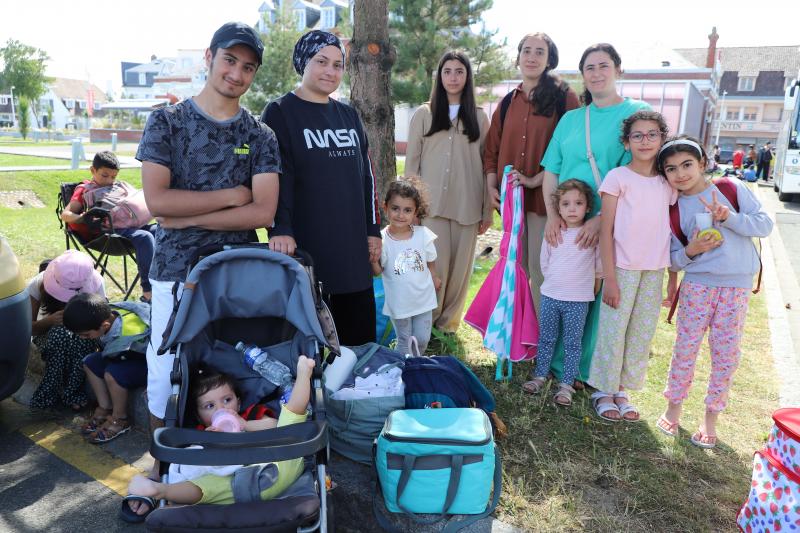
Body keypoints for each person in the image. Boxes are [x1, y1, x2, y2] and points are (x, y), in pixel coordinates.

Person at [137, 21, 280, 469]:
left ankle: (232, 453)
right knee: (165, 362)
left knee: (232, 361)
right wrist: (229, 197)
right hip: (177, 268)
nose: (237, 74)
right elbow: (158, 201)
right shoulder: (167, 122)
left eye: (248, 67)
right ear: (209, 57)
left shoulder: (260, 136)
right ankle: (161, 457)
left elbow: (263, 213)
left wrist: (189, 214)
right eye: (230, 60)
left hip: (238, 271)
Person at [538, 43, 650, 390]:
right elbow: (551, 170)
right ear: (582, 75)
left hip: (612, 222)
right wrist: (553, 215)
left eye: (604, 66)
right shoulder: (572, 119)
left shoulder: (637, 113)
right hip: (567, 221)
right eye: (589, 67)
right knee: (563, 286)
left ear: (619, 70)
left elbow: (642, 170)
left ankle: (591, 370)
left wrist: (601, 220)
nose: (597, 73)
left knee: (600, 295)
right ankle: (556, 365)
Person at [262, 30, 381, 346]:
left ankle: (360, 393)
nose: (330, 71)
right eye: (321, 61)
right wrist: (280, 228)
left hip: (353, 248)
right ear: (304, 63)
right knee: (314, 344)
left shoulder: (348, 115)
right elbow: (276, 177)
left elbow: (367, 177)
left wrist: (373, 230)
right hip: (308, 247)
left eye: (338, 65)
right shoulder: (280, 112)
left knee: (358, 342)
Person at [655, 136, 772, 447]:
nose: (680, 173)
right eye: (671, 168)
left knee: (726, 355)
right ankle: (673, 409)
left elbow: (763, 225)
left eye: (687, 165)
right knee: (685, 349)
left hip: (736, 288)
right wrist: (691, 250)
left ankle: (710, 420)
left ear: (702, 163)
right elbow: (673, 259)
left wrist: (728, 217)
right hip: (697, 286)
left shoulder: (731, 189)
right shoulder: (672, 208)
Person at [124, 357, 315, 519]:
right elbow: (195, 466)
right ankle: (160, 491)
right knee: (202, 487)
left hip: (271, 470)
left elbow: (274, 426)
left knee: (291, 421)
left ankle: (304, 374)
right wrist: (205, 442)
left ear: (238, 402)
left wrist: (244, 425)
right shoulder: (200, 432)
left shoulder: (250, 414)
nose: (222, 409)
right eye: (209, 406)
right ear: (198, 416)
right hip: (230, 487)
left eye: (227, 400)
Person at [587, 111, 675, 422]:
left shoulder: (668, 182)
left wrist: (672, 279)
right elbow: (606, 231)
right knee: (614, 331)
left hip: (654, 270)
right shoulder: (618, 178)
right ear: (627, 142)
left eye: (652, 134)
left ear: (662, 139)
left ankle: (621, 389)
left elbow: (673, 229)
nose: (645, 140)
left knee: (640, 333)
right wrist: (609, 278)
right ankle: (602, 390)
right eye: (637, 135)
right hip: (621, 268)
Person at [483, 32, 580, 315]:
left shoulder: (565, 98)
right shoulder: (507, 103)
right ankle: (517, 333)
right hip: (512, 202)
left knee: (541, 269)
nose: (532, 57)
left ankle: (540, 339)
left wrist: (537, 179)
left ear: (550, 59)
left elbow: (571, 149)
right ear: (518, 57)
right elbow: (492, 150)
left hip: (544, 202)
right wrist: (492, 187)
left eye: (540, 51)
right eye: (527, 50)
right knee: (517, 267)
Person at [404, 50, 491, 334]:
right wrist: (410, 208)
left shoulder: (479, 117)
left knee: (459, 275)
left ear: (468, 77)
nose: (453, 77)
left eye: (459, 71)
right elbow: (412, 165)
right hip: (432, 209)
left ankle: (448, 329)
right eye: (447, 71)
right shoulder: (424, 114)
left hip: (468, 206)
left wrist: (486, 210)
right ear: (439, 77)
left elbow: (486, 165)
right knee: (434, 271)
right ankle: (427, 327)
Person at [523, 179, 601, 407]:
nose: (572, 208)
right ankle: (539, 375)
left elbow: (598, 265)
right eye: (566, 204)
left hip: (578, 300)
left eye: (578, 203)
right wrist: (553, 284)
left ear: (588, 207)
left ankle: (566, 384)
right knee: (546, 338)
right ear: (559, 208)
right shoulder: (554, 232)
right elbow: (544, 262)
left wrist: (593, 287)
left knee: (573, 342)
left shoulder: (590, 235)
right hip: (551, 296)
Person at [59, 150, 155, 302]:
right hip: (107, 235)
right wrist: (84, 218)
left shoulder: (117, 187)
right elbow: (66, 214)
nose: (109, 180)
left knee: (161, 231)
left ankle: (166, 282)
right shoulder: (84, 189)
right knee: (145, 237)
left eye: (113, 177)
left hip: (131, 227)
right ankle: (148, 291)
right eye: (105, 175)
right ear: (93, 170)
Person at [62, 292, 150, 443]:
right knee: (89, 362)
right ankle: (105, 408)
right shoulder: (106, 314)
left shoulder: (127, 334)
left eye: (86, 335)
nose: (82, 338)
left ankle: (120, 419)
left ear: (105, 326)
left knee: (113, 374)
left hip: (145, 361)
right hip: (124, 355)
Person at [28, 250, 105, 410]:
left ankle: (70, 392)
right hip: (47, 336)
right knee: (60, 334)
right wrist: (49, 321)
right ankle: (52, 392)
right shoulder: (37, 283)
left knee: (80, 340)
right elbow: (28, 328)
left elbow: (99, 324)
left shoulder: (97, 284)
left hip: (83, 336)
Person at [370, 179, 440, 355]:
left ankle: (416, 365)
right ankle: (403, 373)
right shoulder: (382, 240)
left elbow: (430, 260)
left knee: (422, 339)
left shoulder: (422, 235)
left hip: (423, 299)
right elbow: (378, 272)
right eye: (395, 208)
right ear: (385, 208)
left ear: (415, 212)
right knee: (404, 341)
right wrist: (372, 260)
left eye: (407, 210)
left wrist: (434, 276)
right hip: (399, 303)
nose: (401, 215)